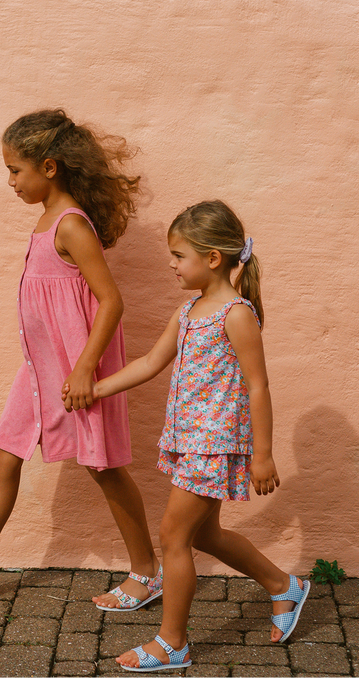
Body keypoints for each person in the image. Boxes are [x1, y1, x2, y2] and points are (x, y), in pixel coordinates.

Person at [0, 108, 162, 611]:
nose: (10, 182)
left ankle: (147, 573)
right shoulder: (47, 221)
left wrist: (86, 369)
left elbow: (111, 301)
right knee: (3, 453)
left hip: (75, 370)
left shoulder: (70, 226)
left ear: (49, 167)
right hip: (39, 371)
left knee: (104, 467)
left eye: (14, 170)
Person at [88, 200, 309, 672]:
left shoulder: (236, 313)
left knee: (173, 535)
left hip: (217, 443)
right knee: (205, 534)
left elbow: (258, 385)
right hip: (189, 441)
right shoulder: (188, 311)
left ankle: (173, 643)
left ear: (213, 258)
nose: (171, 264)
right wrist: (96, 389)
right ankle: (283, 586)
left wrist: (263, 455)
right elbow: (150, 363)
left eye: (178, 255)